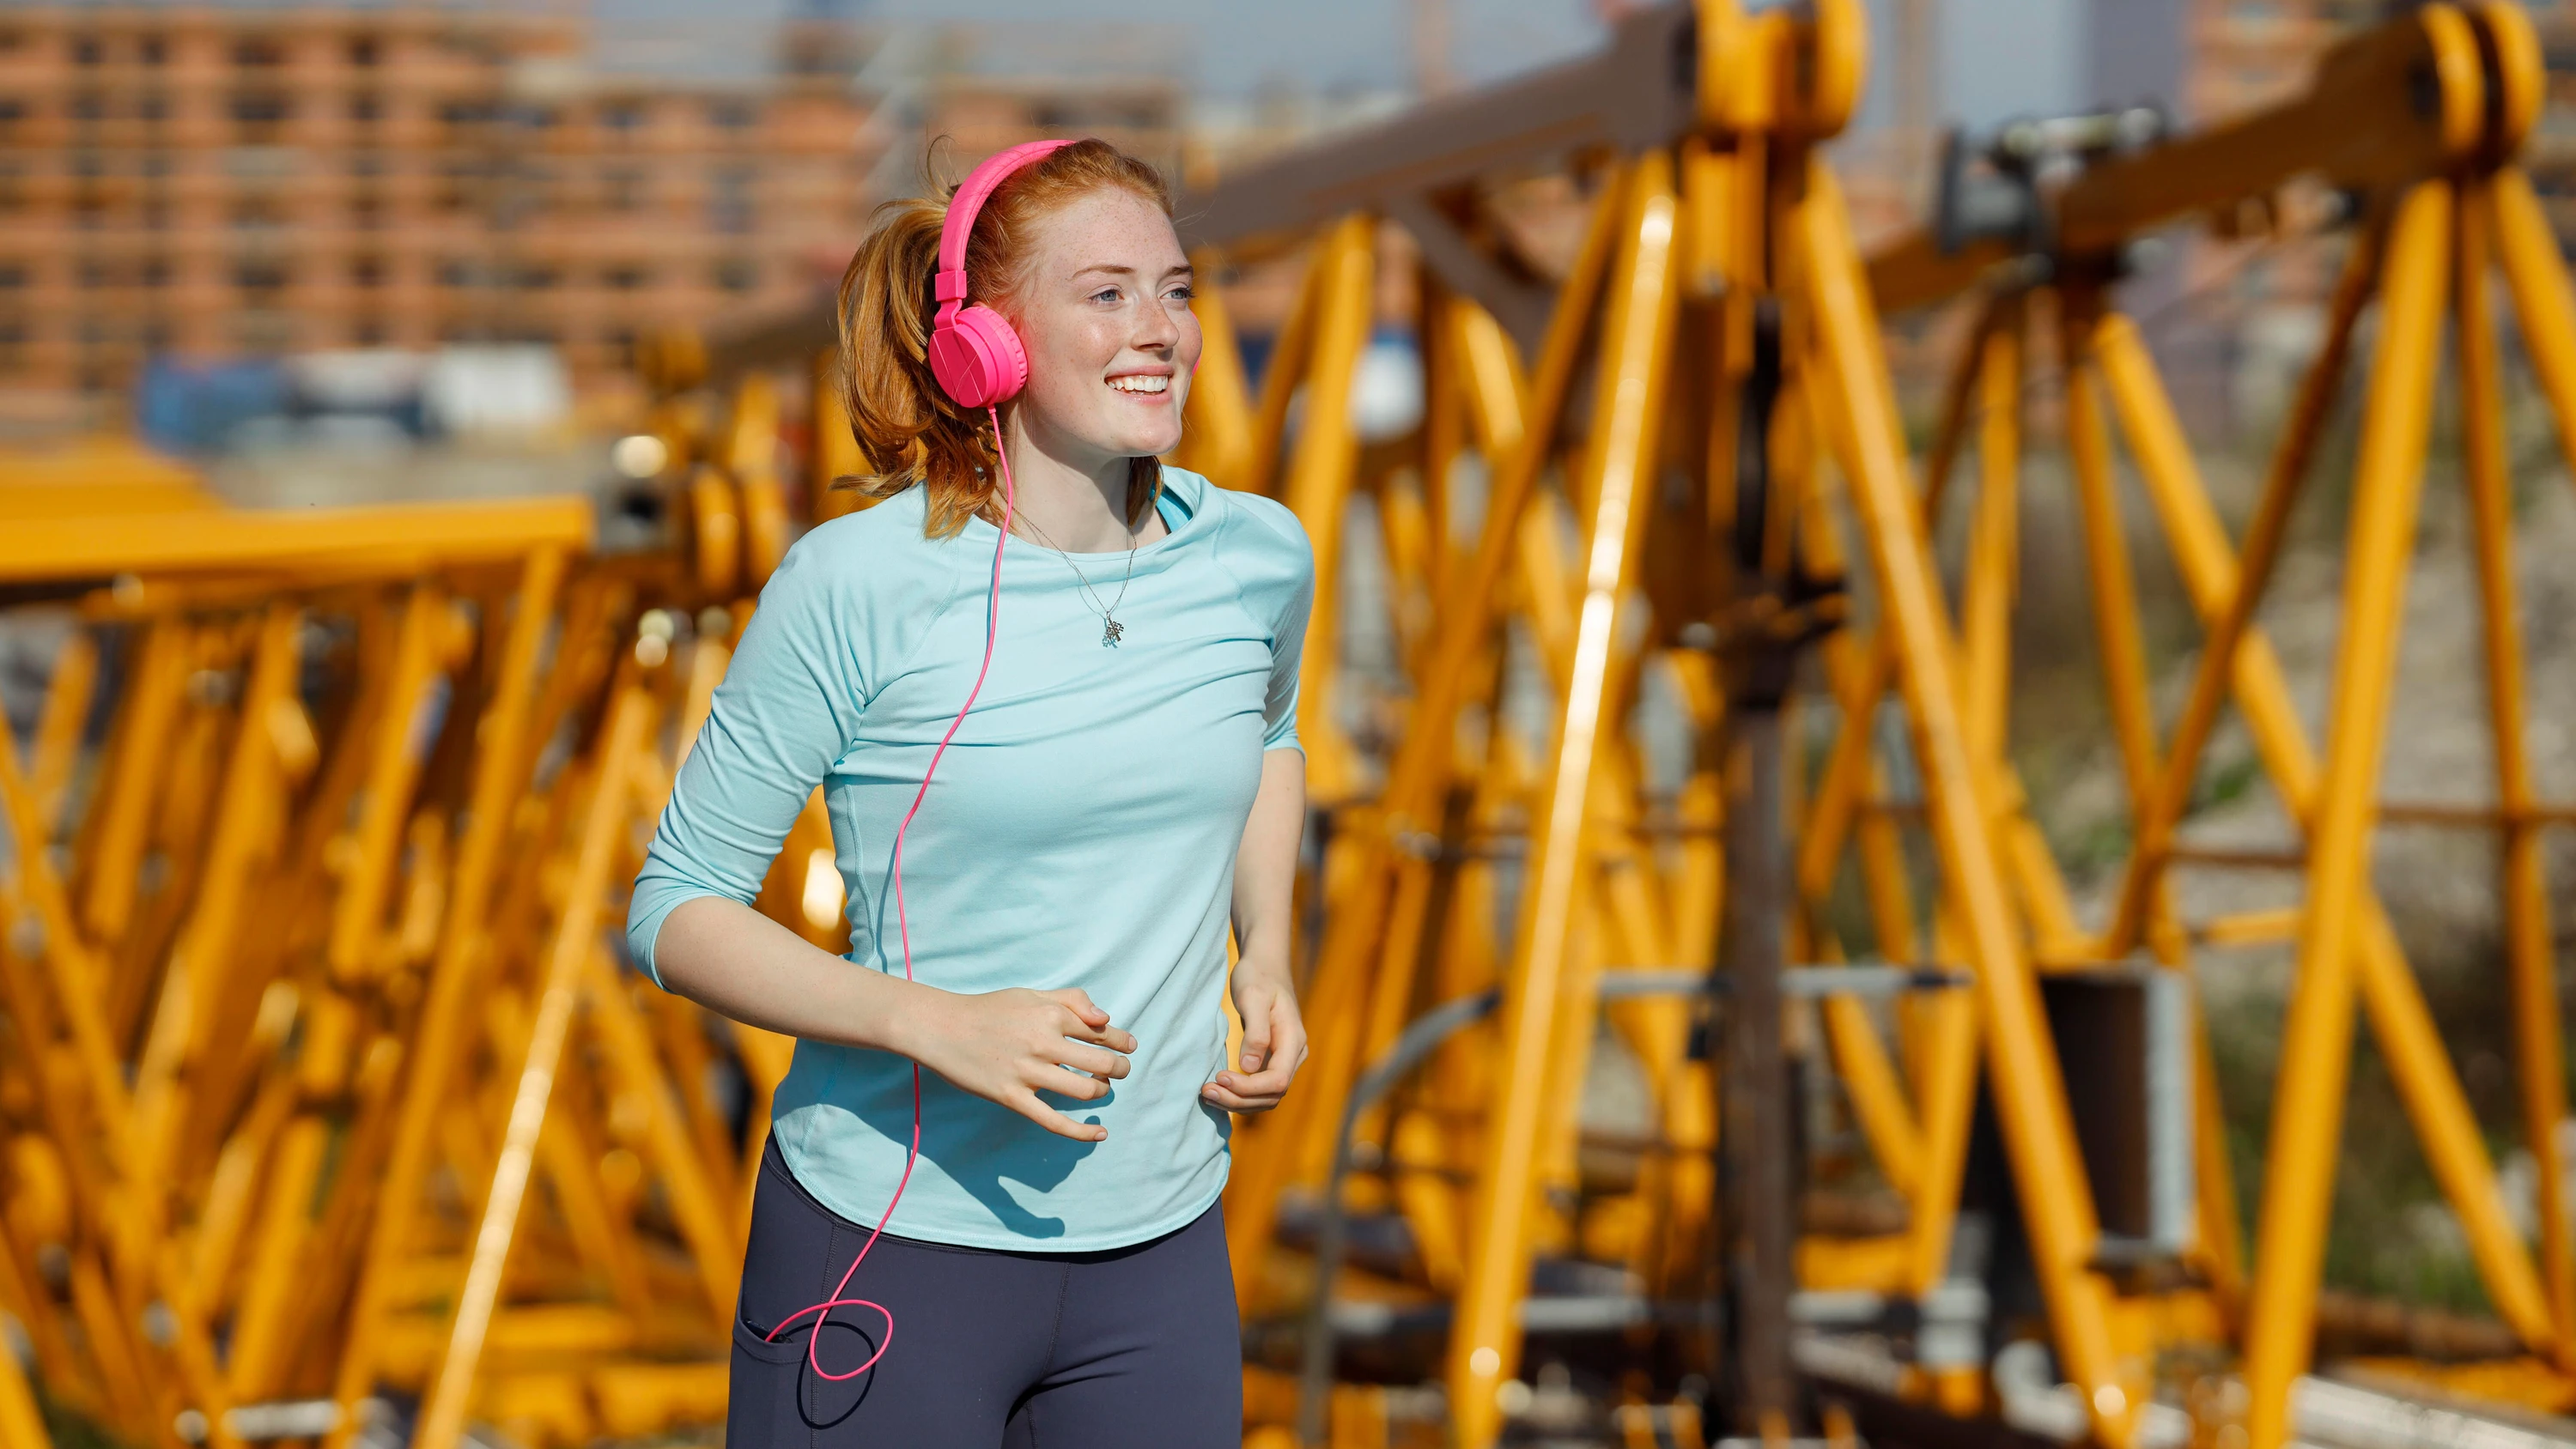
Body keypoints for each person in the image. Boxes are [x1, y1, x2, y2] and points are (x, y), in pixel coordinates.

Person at [625, 136, 1314, 1446]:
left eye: (1175, 289)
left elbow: (1268, 738)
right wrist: (933, 1024)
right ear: (982, 345)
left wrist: (1265, 948)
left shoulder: (1257, 556)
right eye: (1105, 294)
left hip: (1159, 1260)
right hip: (889, 1251)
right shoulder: (856, 586)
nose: (1158, 329)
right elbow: (674, 909)